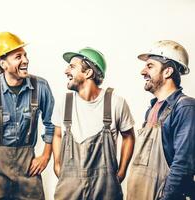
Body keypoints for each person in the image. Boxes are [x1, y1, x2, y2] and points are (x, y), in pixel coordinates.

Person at [0, 32, 54, 200]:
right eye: (18, 57)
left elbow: (51, 123)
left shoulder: (41, 87)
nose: (25, 61)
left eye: (25, 56)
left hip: (28, 165)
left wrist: (45, 156)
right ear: (3, 63)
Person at [52, 47, 135, 200]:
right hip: (69, 186)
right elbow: (57, 135)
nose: (66, 71)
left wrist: (122, 171)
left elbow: (129, 136)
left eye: (72, 66)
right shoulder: (64, 103)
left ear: (88, 72)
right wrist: (57, 165)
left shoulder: (115, 102)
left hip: (105, 187)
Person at [127, 40, 195, 200]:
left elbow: (183, 164)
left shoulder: (185, 107)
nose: (143, 71)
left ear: (167, 72)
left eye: (150, 66)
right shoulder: (152, 109)